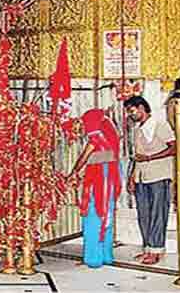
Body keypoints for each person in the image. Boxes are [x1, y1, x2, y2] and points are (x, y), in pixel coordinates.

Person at [124, 96, 174, 265]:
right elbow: (137, 157)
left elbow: (174, 148)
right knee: (144, 214)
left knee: (158, 214)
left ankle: (157, 249)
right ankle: (148, 248)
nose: (130, 114)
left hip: (159, 175)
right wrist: (132, 177)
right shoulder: (139, 129)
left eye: (131, 110)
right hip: (142, 177)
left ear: (141, 108)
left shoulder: (160, 125)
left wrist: (150, 157)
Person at [68, 109, 121, 268]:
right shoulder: (111, 137)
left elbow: (84, 157)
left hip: (99, 183)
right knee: (107, 217)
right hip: (110, 179)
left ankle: (93, 259)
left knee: (93, 218)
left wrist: (73, 172)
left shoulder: (96, 139)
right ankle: (106, 256)